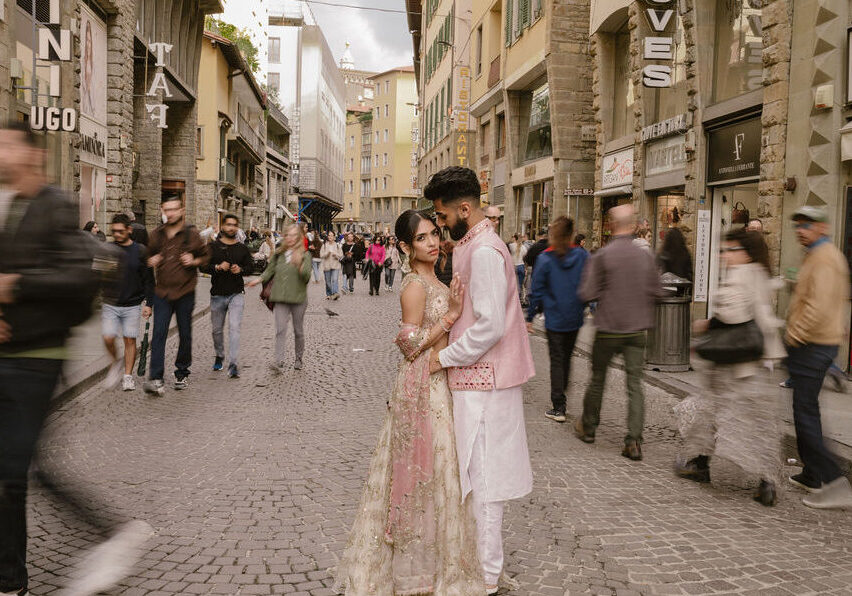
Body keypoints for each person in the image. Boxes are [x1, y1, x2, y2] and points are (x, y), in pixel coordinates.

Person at [0, 121, 153, 596]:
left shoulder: (54, 206)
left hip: (40, 358)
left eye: (6, 144)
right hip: (9, 353)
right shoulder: (9, 207)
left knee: (19, 471)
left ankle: (114, 533)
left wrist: (17, 286)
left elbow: (77, 279)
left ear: (31, 154)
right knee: (13, 473)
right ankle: (10, 579)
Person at [333, 210, 482, 595]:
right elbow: (408, 344)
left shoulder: (438, 277)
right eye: (421, 238)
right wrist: (449, 317)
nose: (432, 242)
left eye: (434, 234)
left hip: (441, 386)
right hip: (423, 390)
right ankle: (413, 572)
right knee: (422, 475)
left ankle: (440, 564)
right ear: (404, 246)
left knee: (442, 473)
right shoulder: (414, 285)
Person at [426, 167, 534, 593]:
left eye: (442, 215)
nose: (439, 224)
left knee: (485, 480)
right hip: (479, 380)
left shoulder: (485, 251)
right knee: (478, 476)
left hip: (484, 382)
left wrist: (445, 358)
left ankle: (486, 580)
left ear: (464, 209)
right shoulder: (474, 246)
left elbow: (489, 326)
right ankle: (481, 570)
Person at [675, 229, 785, 506]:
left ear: (744, 253)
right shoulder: (761, 273)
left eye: (730, 250)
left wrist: (707, 324)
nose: (724, 255)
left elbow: (732, 312)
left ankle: (699, 465)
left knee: (714, 414)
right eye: (723, 250)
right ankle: (765, 481)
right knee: (757, 424)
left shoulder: (740, 276)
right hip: (760, 361)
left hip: (734, 365)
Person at [575, 204, 662, 461]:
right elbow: (657, 289)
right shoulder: (645, 257)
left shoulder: (603, 255)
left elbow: (587, 293)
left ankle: (589, 427)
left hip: (609, 327)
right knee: (635, 385)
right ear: (634, 226)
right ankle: (633, 441)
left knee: (598, 379)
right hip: (636, 329)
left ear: (612, 226)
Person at [784, 206, 852, 509]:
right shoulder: (816, 254)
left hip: (813, 345)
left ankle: (835, 482)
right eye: (798, 224)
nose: (801, 229)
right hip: (813, 344)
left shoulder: (825, 258)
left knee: (805, 414)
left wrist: (795, 335)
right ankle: (812, 474)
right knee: (805, 410)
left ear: (822, 228)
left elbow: (818, 306)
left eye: (807, 224)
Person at [143, 197, 210, 396]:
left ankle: (182, 372)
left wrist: (194, 260)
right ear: (162, 210)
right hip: (162, 293)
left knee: (185, 334)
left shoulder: (192, 234)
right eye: (166, 210)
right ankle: (156, 378)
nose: (170, 213)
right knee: (158, 335)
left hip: (185, 292)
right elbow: (146, 258)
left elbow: (206, 258)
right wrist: (151, 260)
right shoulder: (156, 234)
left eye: (174, 209)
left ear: (182, 210)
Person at [526, 217, 589, 423]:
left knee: (557, 359)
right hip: (574, 316)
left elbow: (536, 289)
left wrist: (530, 315)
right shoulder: (581, 255)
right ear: (571, 234)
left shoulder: (546, 258)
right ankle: (562, 391)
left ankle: (558, 405)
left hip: (554, 316)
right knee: (567, 357)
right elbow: (589, 282)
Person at [248, 223, 312, 373]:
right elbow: (269, 271)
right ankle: (279, 361)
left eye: (293, 236)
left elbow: (306, 277)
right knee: (280, 329)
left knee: (298, 331)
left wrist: (300, 266)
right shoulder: (278, 253)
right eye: (287, 235)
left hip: (298, 298)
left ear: (298, 238)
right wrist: (257, 280)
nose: (290, 238)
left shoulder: (305, 254)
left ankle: (298, 358)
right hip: (280, 296)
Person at [102, 214, 154, 392]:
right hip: (110, 302)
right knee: (108, 337)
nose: (116, 234)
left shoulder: (140, 251)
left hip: (132, 303)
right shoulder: (107, 249)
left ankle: (127, 376)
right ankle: (115, 363)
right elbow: (100, 274)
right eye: (114, 231)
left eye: (120, 231)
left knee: (129, 339)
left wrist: (149, 303)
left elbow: (149, 279)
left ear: (129, 230)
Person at [199, 213, 253, 379]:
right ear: (222, 226)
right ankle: (220, 355)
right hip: (217, 294)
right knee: (216, 330)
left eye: (234, 225)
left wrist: (241, 270)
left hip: (236, 293)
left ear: (237, 227)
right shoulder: (213, 247)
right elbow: (202, 267)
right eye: (228, 224)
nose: (231, 227)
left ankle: (233, 363)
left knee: (235, 327)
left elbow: (250, 267)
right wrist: (217, 267)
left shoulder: (242, 248)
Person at [320, 231, 343, 300]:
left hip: (335, 265)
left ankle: (335, 293)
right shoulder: (324, 245)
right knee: (328, 282)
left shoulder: (337, 245)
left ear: (334, 237)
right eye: (329, 235)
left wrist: (336, 255)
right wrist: (327, 253)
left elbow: (341, 256)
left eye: (332, 236)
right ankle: (329, 294)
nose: (330, 237)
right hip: (326, 266)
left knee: (335, 280)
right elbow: (321, 255)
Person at [508, 234, 528, 300]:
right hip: (521, 266)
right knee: (520, 284)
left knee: (512, 283)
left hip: (513, 266)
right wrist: (526, 268)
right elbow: (525, 258)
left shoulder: (511, 246)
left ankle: (513, 297)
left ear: (514, 238)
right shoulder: (524, 247)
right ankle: (519, 298)